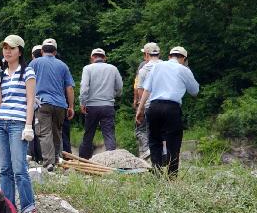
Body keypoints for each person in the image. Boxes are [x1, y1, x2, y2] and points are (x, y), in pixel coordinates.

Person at [0, 34, 38, 213]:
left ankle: (29, 207)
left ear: (20, 51)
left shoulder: (28, 71)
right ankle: (9, 207)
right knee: (4, 169)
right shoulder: (1, 73)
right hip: (1, 122)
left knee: (19, 168)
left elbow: (31, 99)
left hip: (18, 122)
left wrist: (28, 125)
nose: (7, 51)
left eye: (12, 48)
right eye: (5, 48)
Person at [136, 46, 199, 178]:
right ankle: (172, 176)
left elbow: (147, 89)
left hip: (153, 107)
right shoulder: (184, 70)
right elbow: (195, 91)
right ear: (184, 59)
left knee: (154, 141)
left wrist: (140, 109)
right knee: (173, 142)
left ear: (170, 56)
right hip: (172, 108)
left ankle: (157, 173)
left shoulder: (157, 67)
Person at [29, 38, 75, 171]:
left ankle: (49, 163)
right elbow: (69, 88)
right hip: (60, 104)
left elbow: (27, 82)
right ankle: (56, 159)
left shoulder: (34, 63)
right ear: (55, 52)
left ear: (42, 51)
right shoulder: (63, 65)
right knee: (56, 132)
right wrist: (71, 106)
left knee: (44, 133)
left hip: (42, 102)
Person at [78, 48, 123, 159]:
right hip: (108, 106)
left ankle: (84, 160)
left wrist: (82, 102)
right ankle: (112, 160)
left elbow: (84, 88)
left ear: (92, 57)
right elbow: (120, 87)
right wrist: (113, 95)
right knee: (109, 134)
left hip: (91, 106)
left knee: (88, 134)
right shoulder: (113, 69)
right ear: (104, 58)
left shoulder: (87, 69)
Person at [134, 42, 162, 160]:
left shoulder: (143, 69)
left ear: (146, 54)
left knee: (147, 131)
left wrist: (140, 107)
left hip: (150, 105)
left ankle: (148, 154)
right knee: (162, 132)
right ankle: (164, 155)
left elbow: (140, 90)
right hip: (167, 103)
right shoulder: (166, 66)